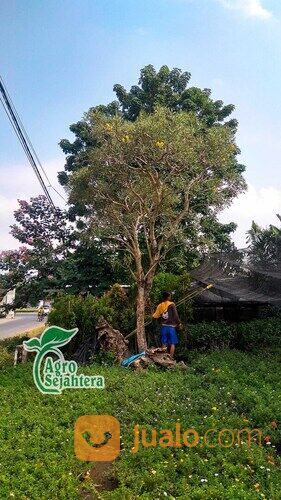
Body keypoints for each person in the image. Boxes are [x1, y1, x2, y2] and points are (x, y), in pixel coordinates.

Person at [152, 291, 181, 358]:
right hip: (171, 327)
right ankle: (171, 358)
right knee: (172, 343)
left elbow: (155, 316)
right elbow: (176, 316)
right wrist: (179, 323)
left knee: (164, 343)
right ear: (168, 297)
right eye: (170, 296)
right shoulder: (172, 304)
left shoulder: (160, 305)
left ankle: (163, 358)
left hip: (164, 327)